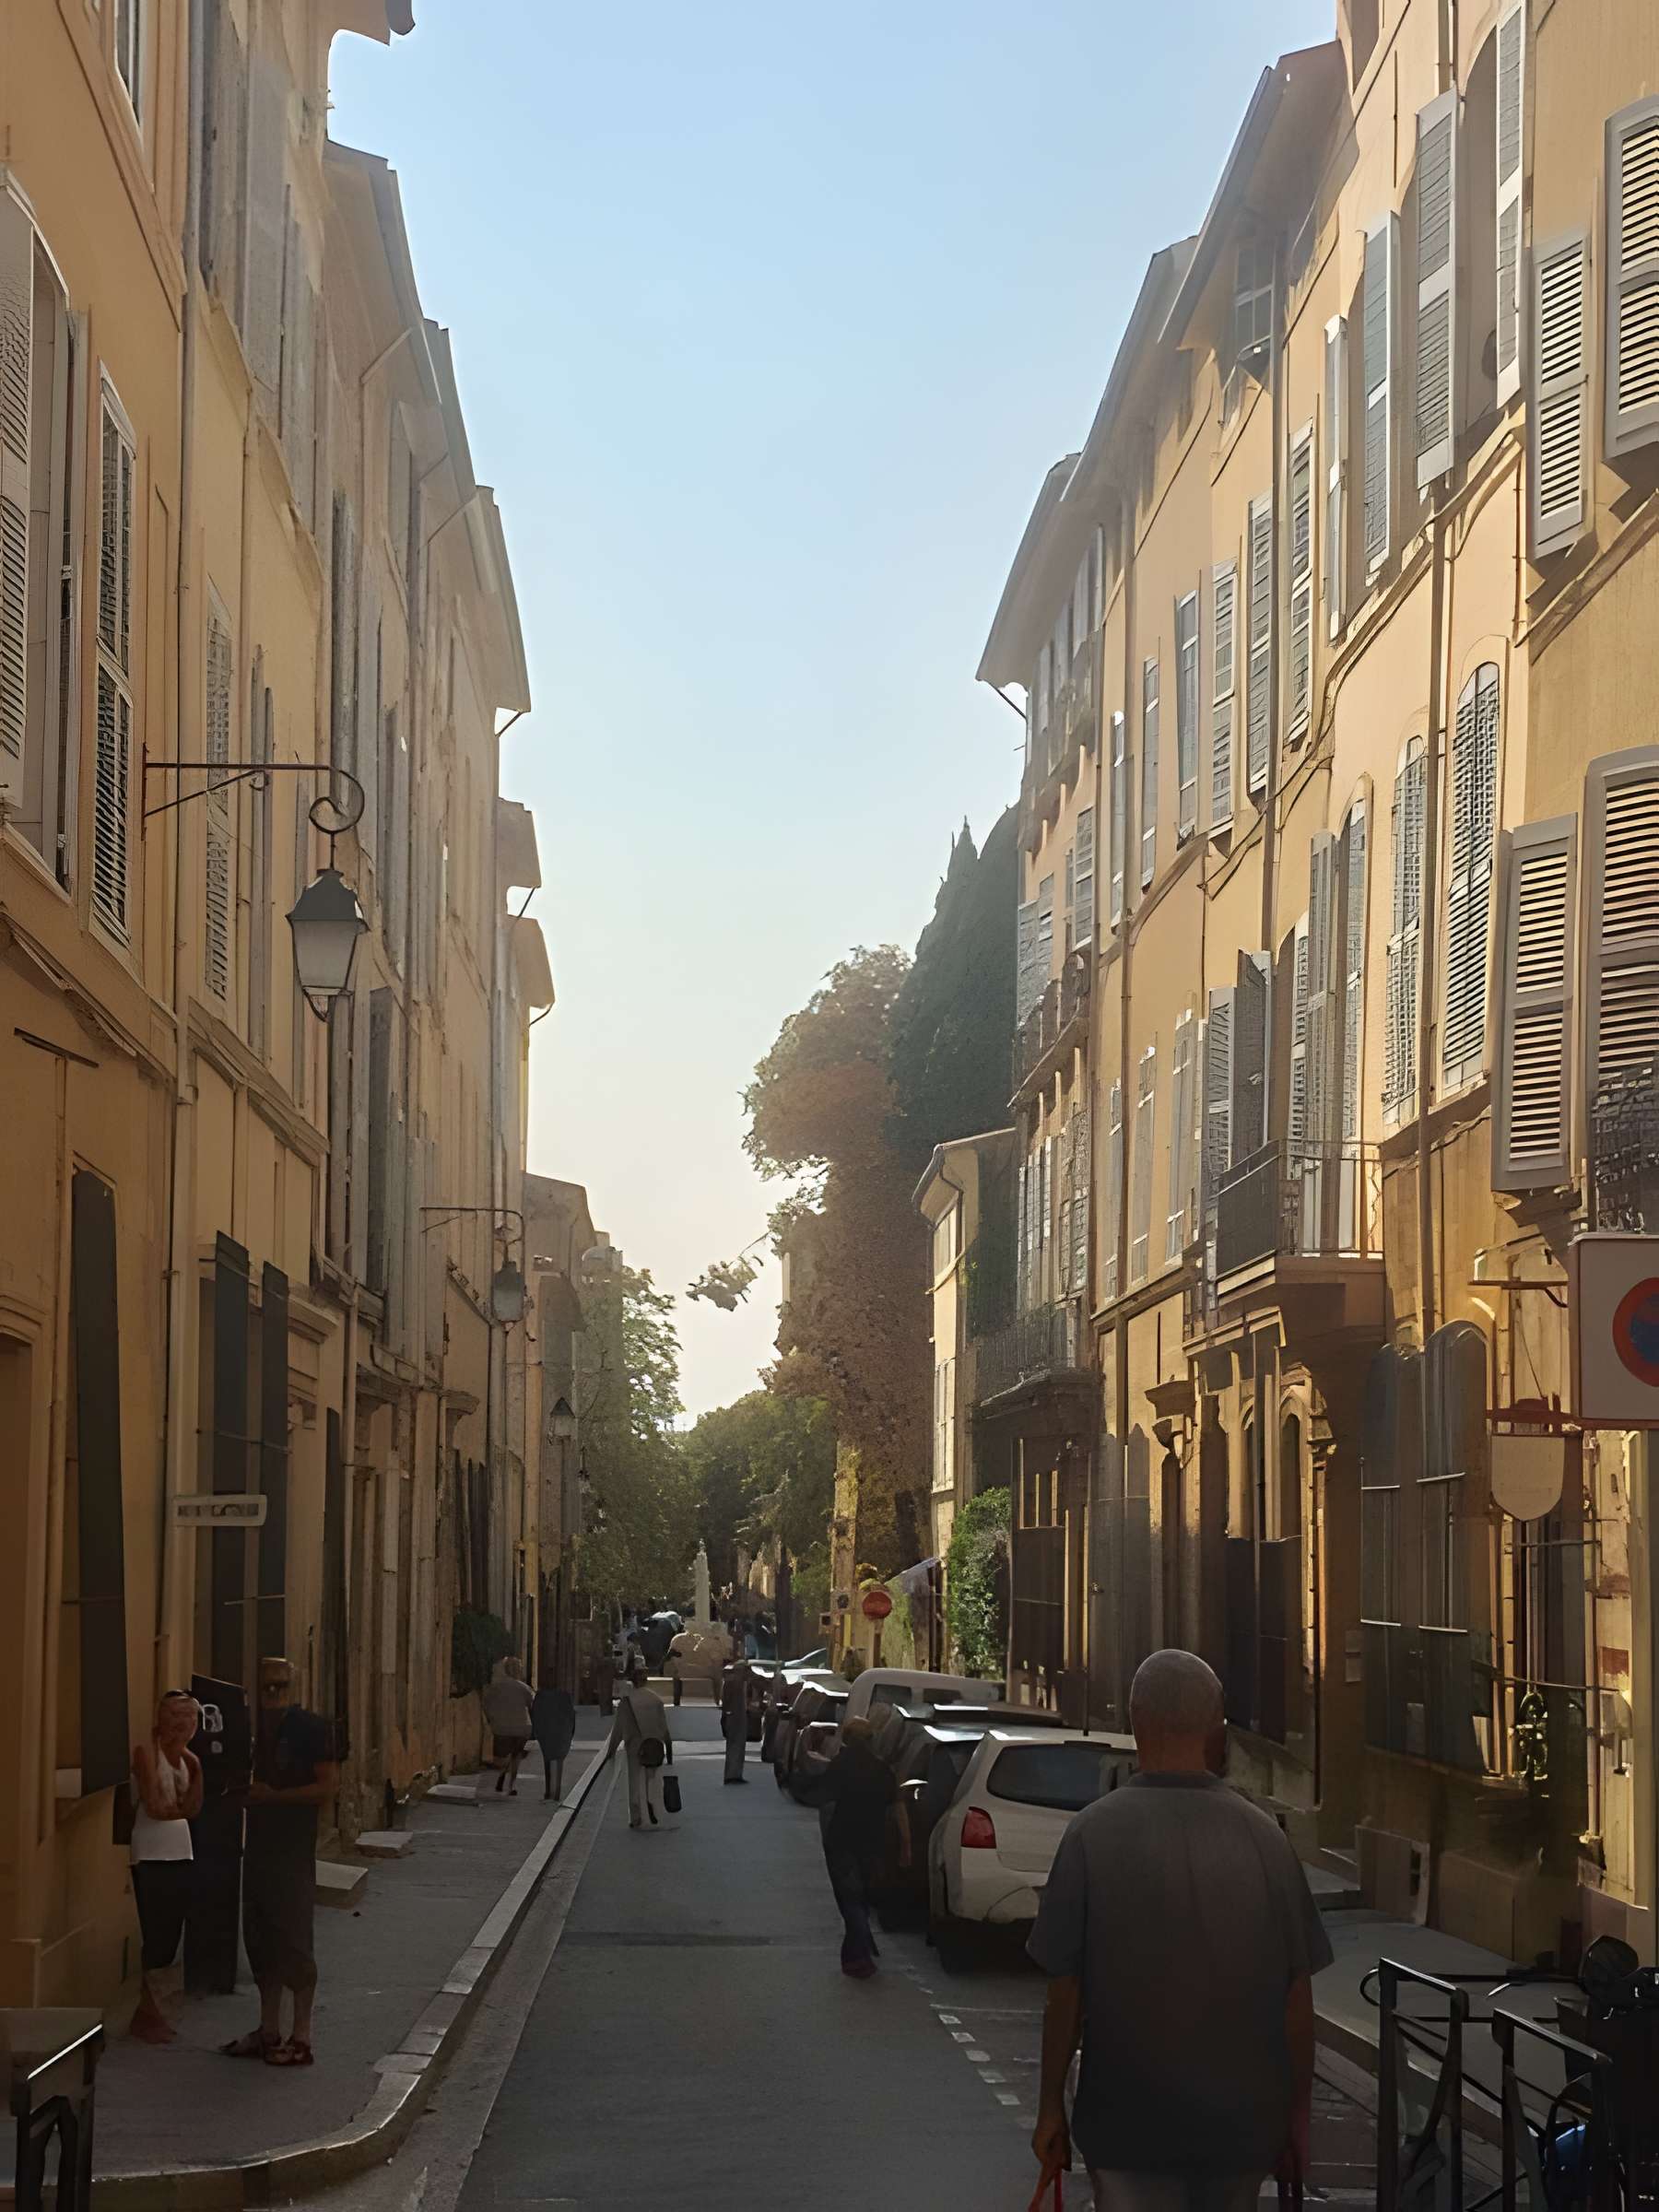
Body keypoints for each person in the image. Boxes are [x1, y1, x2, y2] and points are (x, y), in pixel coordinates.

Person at [1027, 1649, 1333, 2212]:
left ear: (1136, 1723)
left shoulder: (1091, 1835)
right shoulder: (1266, 1839)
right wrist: (1297, 2119)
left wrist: (1050, 2108)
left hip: (1126, 2125)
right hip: (1239, 2129)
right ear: (1217, 1729)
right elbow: (1296, 1999)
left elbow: (1064, 1991)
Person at [222, 1656, 339, 2067]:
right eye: (266, 1686)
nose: (273, 1694)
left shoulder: (311, 1729)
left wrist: (274, 1797)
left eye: (281, 1686)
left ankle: (302, 2036)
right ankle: (268, 2029)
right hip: (256, 1847)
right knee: (260, 1938)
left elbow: (326, 1788)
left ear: (295, 1688)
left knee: (294, 1939)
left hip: (291, 1849)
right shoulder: (248, 1728)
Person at [127, 1689, 204, 2043]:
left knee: (171, 1936)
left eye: (189, 1717)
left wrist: (193, 1775)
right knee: (156, 1935)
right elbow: (156, 1807)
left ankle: (154, 2010)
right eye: (175, 1716)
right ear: (160, 1718)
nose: (182, 1724)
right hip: (151, 1853)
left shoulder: (190, 1761)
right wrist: (178, 1810)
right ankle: (146, 2013)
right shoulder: (147, 1754)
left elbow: (194, 1808)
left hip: (181, 1852)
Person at [801, 1715, 895, 1979]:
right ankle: (860, 1950)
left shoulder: (839, 1766)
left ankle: (859, 1950)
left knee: (849, 1898)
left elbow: (825, 1800)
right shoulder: (882, 1769)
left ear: (846, 1739)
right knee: (861, 1896)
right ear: (871, 1739)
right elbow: (897, 1806)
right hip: (872, 1843)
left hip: (842, 1841)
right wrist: (905, 1846)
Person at [606, 1655, 673, 1830]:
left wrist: (611, 1750)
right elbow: (664, 1727)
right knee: (652, 1779)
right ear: (646, 1681)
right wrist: (668, 1747)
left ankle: (636, 1816)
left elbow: (618, 1729)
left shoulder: (627, 1702)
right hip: (654, 1743)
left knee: (634, 1780)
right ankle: (654, 1810)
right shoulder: (655, 1700)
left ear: (632, 1681)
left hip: (635, 1744)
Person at [483, 1656, 535, 1794]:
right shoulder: (524, 1688)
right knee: (516, 1756)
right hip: (521, 1728)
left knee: (502, 1757)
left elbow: (486, 1704)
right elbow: (533, 1706)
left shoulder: (495, 1688)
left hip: (501, 1728)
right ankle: (511, 1786)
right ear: (518, 1671)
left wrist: (491, 1719)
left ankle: (502, 1774)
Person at [531, 1680, 576, 1801]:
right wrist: (570, 1732)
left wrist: (536, 1731)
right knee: (558, 1760)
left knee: (547, 1759)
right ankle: (555, 1792)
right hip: (561, 1732)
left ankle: (549, 1791)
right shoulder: (565, 1696)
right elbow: (571, 1715)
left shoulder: (540, 1696)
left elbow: (534, 1714)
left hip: (545, 1731)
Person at [720, 1660, 750, 1783]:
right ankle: (732, 1775)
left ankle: (736, 1774)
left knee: (739, 1746)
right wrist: (726, 1715)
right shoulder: (732, 1682)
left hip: (738, 1716)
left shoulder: (740, 1682)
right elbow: (726, 1701)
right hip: (734, 1717)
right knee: (734, 1746)